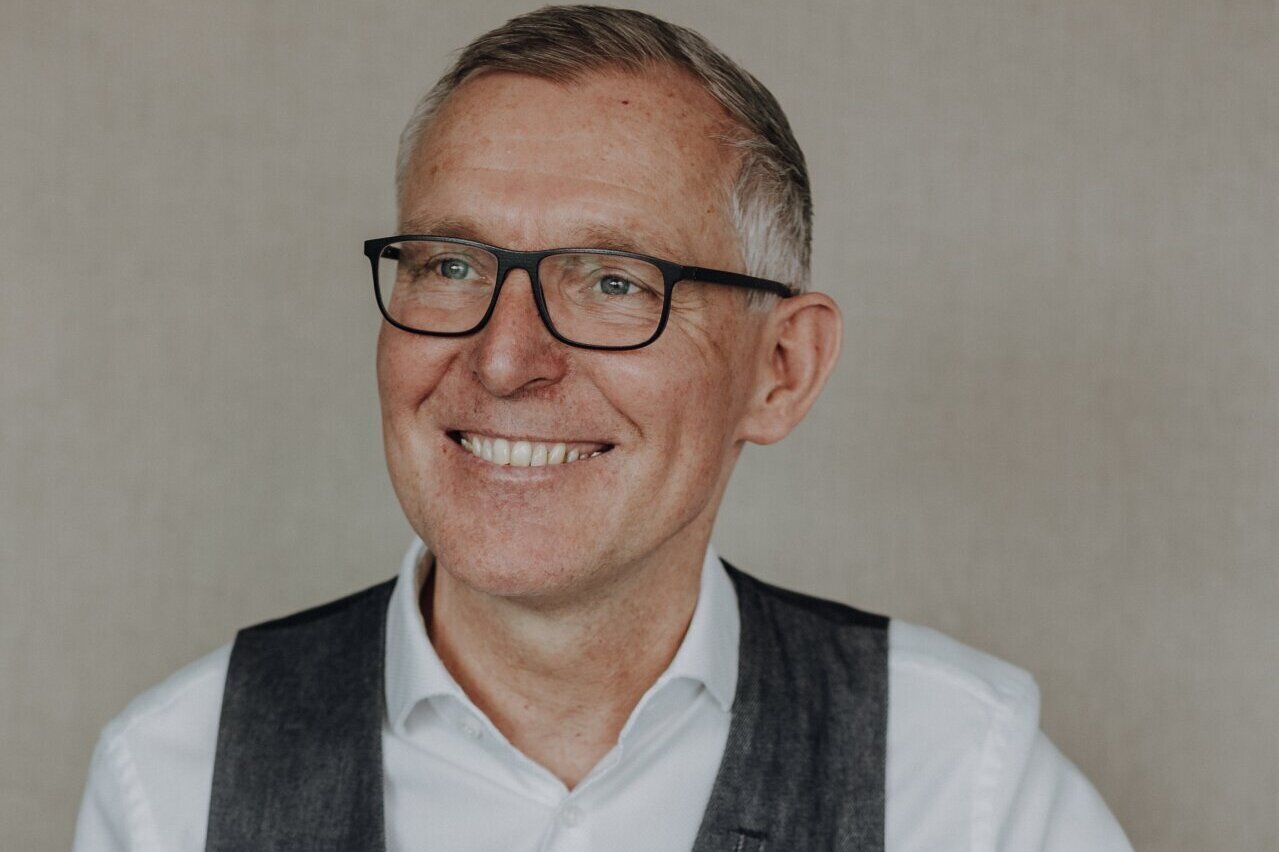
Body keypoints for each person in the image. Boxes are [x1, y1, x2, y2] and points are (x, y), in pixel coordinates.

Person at [73, 6, 1132, 850]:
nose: (503, 359)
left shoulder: (960, 780)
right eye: (452, 265)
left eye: (615, 282)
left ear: (780, 370)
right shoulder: (174, 780)